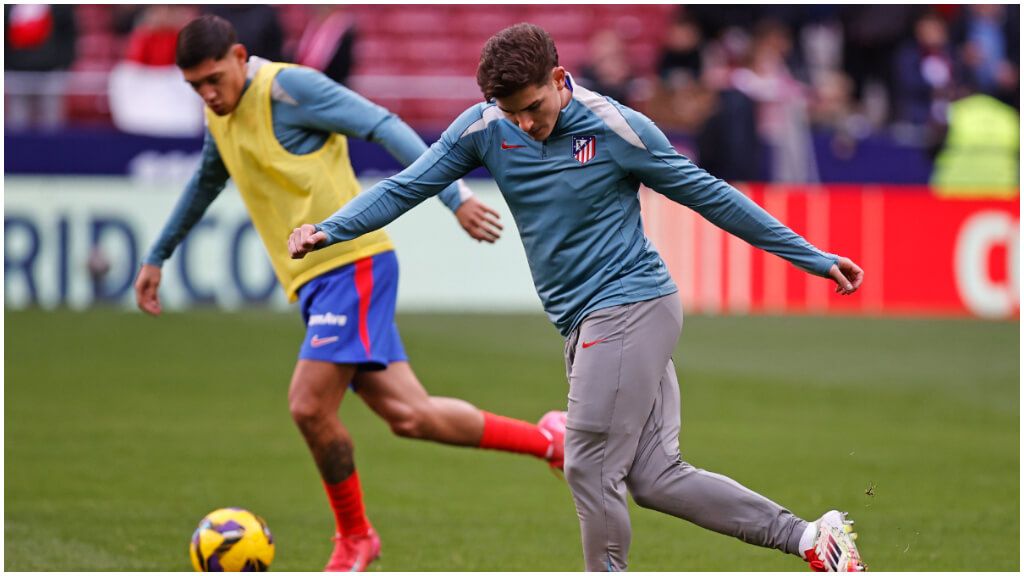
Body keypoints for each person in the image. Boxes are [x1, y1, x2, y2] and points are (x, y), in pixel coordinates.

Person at [290, 23, 867, 572]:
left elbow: (711, 196)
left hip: (629, 305)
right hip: (587, 322)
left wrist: (811, 257)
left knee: (587, 465)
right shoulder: (484, 127)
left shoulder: (616, 128)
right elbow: (406, 186)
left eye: (533, 107)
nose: (525, 123)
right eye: (511, 113)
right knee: (655, 478)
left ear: (559, 78)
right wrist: (330, 229)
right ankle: (811, 537)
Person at [134, 16, 566, 573]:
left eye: (214, 79)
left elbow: (382, 123)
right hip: (317, 284)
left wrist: (453, 196)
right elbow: (205, 181)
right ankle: (550, 442)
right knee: (411, 415)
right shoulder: (219, 113)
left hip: (351, 264)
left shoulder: (290, 88)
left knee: (308, 405)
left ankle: (356, 536)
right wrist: (157, 254)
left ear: (240, 56)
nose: (208, 94)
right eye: (195, 86)